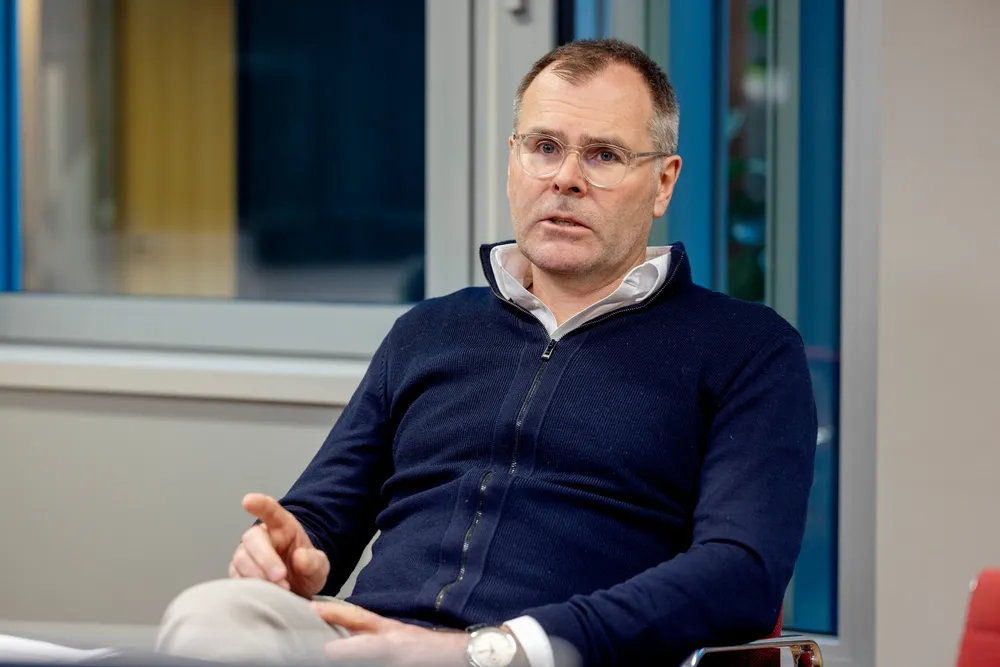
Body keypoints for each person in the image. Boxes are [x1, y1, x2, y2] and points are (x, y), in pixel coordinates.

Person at [155, 38, 817, 667]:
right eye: (545, 147)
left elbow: (741, 572)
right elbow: (320, 517)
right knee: (212, 615)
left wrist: (495, 650)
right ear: (512, 161)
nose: (566, 179)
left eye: (604, 156)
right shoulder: (430, 330)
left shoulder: (746, 350)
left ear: (663, 183)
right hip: (374, 644)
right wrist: (289, 554)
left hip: (557, 655)